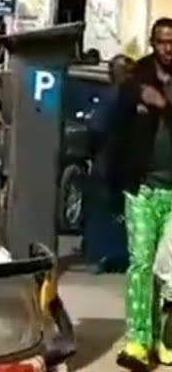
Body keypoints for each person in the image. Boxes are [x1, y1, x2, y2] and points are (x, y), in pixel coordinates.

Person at [114, 18, 172, 371]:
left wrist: (163, 104)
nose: (168, 47)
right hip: (143, 189)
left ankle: (165, 340)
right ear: (153, 43)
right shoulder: (137, 79)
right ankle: (138, 341)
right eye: (163, 41)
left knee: (169, 273)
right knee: (141, 264)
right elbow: (116, 113)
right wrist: (137, 95)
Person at [85, 54, 133, 273]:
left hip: (109, 162)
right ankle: (117, 254)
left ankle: (107, 255)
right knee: (120, 212)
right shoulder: (130, 98)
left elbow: (96, 129)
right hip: (124, 164)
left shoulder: (111, 97)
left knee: (107, 210)